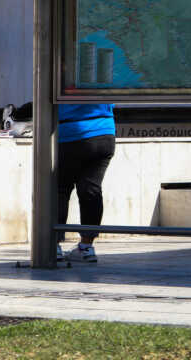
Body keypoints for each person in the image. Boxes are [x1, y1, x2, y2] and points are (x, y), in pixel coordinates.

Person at [57, 103, 116, 263]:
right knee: (91, 189)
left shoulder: (65, 77)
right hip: (104, 132)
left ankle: (52, 246)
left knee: (59, 189)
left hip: (70, 133)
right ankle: (86, 247)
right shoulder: (100, 78)